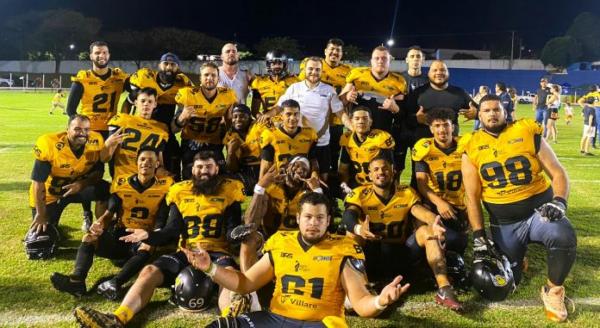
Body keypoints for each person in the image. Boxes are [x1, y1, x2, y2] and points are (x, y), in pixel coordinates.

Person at [73, 151, 245, 327]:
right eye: (200, 167)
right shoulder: (180, 192)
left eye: (209, 166)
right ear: (192, 170)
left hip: (217, 253)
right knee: (149, 271)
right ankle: (117, 319)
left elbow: (232, 230)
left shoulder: (230, 191)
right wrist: (148, 235)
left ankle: (230, 320)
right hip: (187, 252)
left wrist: (239, 234)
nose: (204, 171)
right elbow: (171, 230)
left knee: (230, 274)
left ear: (216, 169)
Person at [198, 192, 410, 327]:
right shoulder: (281, 241)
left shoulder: (343, 249)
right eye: (308, 217)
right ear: (298, 218)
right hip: (276, 320)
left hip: (320, 323)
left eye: (320, 218)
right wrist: (210, 268)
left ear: (328, 221)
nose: (313, 223)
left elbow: (362, 304)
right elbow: (245, 284)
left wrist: (381, 301)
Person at [462, 94, 577, 322]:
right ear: (479, 114)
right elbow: (472, 198)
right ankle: (516, 256)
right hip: (504, 223)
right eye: (486, 110)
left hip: (539, 212)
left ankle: (553, 291)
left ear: (506, 112)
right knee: (501, 288)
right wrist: (478, 236)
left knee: (562, 235)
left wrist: (559, 201)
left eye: (497, 109)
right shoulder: (471, 146)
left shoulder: (525, 131)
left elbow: (557, 171)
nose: (492, 113)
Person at [50, 148, 173, 300]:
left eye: (150, 160)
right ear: (136, 163)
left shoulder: (166, 185)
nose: (145, 163)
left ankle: (116, 282)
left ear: (157, 164)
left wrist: (152, 235)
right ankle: (77, 280)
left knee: (148, 244)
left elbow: (161, 218)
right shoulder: (122, 182)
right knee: (90, 237)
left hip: (143, 238)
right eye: (142, 159)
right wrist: (100, 222)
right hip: (121, 234)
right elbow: (110, 212)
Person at [342, 155, 462, 310]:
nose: (381, 172)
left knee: (427, 231)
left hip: (400, 255)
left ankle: (444, 288)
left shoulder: (405, 192)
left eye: (385, 168)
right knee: (351, 235)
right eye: (376, 169)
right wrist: (360, 229)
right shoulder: (359, 193)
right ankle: (362, 287)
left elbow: (421, 212)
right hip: (370, 256)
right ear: (369, 174)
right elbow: (348, 216)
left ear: (393, 171)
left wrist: (434, 221)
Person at [65, 41, 127, 231]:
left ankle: (119, 214)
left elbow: (135, 92)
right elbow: (70, 110)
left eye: (105, 52)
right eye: (98, 53)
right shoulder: (83, 78)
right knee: (89, 174)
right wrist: (81, 130)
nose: (102, 55)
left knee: (118, 172)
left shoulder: (119, 77)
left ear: (109, 55)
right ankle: (87, 213)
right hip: (90, 133)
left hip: (111, 131)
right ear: (91, 56)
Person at [27, 115, 110, 252]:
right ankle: (53, 224)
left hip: (77, 189)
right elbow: (38, 182)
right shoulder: (50, 144)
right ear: (67, 130)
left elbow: (98, 174)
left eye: (86, 129)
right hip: (50, 193)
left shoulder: (96, 141)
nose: (82, 133)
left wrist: (82, 184)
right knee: (44, 237)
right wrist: (41, 213)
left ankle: (102, 229)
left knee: (105, 190)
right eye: (77, 129)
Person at [234, 156, 324, 272]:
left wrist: (317, 191)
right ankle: (249, 284)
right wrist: (260, 187)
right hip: (268, 239)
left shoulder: (310, 196)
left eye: (304, 170)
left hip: (296, 242)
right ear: (287, 168)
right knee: (249, 237)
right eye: (296, 165)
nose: (300, 170)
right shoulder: (270, 188)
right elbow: (250, 223)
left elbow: (323, 223)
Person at [275, 57, 351, 180]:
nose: (314, 72)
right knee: (295, 179)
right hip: (298, 144)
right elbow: (279, 107)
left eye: (317, 69)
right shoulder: (294, 88)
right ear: (305, 70)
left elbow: (340, 113)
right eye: (310, 69)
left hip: (321, 143)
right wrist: (266, 115)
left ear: (322, 71)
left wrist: (352, 127)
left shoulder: (329, 90)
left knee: (322, 179)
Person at [403, 60, 477, 186]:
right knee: (419, 182)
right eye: (435, 70)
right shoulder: (418, 93)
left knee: (449, 183)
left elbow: (480, 111)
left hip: (450, 149)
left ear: (448, 73)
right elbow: (404, 117)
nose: (439, 73)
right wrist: (415, 118)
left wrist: (476, 113)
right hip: (424, 149)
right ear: (429, 74)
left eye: (442, 70)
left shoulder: (459, 93)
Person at [123, 52, 193, 180]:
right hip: (141, 128)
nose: (168, 67)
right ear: (159, 65)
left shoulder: (183, 84)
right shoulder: (145, 78)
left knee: (173, 158)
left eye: (173, 65)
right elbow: (128, 100)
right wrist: (124, 121)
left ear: (178, 68)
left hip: (164, 130)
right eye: (166, 63)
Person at [411, 108, 468, 255]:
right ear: (431, 129)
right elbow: (421, 183)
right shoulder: (425, 148)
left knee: (458, 244)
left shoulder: (465, 145)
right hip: (433, 203)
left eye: (446, 125)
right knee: (422, 242)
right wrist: (439, 203)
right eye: (437, 126)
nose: (442, 129)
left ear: (453, 127)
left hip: (458, 204)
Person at [172, 62, 237, 179]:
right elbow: (174, 129)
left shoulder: (228, 95)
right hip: (191, 143)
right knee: (190, 178)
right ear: (200, 78)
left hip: (214, 143)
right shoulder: (188, 95)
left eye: (213, 75)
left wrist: (229, 143)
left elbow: (229, 124)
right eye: (206, 75)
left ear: (218, 78)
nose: (210, 78)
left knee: (220, 178)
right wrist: (182, 117)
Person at [299, 38, 352, 173]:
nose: (334, 52)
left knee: (333, 155)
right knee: (307, 154)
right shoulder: (314, 65)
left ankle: (330, 184)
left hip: (335, 120)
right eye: (332, 49)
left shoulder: (348, 71)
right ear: (325, 51)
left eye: (338, 50)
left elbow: (346, 98)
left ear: (341, 54)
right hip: (313, 120)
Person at [341, 46, 407, 134]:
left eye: (384, 58)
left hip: (382, 132)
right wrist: (347, 96)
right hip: (358, 131)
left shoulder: (399, 82)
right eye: (377, 58)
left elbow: (403, 114)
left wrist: (395, 108)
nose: (380, 61)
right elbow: (339, 103)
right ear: (371, 61)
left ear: (390, 61)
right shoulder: (357, 74)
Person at [105, 87, 169, 178]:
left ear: (155, 104)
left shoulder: (161, 128)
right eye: (143, 101)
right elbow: (105, 158)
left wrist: (163, 171)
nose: (146, 104)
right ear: (135, 103)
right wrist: (108, 144)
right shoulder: (122, 120)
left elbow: (159, 161)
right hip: (123, 177)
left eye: (150, 101)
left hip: (147, 178)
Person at [259, 99, 319, 178]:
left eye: (296, 114)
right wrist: (261, 186)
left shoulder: (310, 134)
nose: (293, 118)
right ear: (281, 115)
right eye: (288, 114)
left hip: (300, 179)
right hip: (279, 180)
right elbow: (265, 167)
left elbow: (313, 159)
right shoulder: (270, 135)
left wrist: (315, 175)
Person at [339, 106, 395, 188]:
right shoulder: (347, 139)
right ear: (351, 121)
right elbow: (343, 169)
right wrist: (344, 186)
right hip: (356, 184)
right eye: (357, 119)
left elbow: (388, 170)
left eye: (365, 118)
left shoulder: (381, 138)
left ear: (371, 122)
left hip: (378, 184)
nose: (361, 122)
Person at [223, 103, 269, 193]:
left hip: (263, 167)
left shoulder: (259, 127)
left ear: (250, 118)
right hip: (245, 170)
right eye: (235, 117)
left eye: (242, 116)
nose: (238, 120)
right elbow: (232, 168)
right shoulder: (230, 135)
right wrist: (230, 153)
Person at [250, 50, 299, 117]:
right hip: (268, 119)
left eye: (279, 63)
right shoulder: (259, 82)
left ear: (284, 65)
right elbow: (254, 111)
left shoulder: (294, 81)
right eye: (273, 64)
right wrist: (262, 118)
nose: (277, 66)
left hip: (288, 120)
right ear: (268, 65)